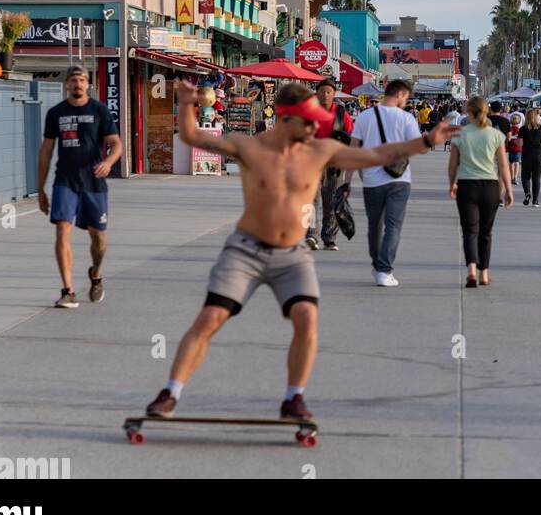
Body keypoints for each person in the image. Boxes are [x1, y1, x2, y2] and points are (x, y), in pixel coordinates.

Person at [146, 81, 458, 422]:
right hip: (245, 250)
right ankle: (170, 392)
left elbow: (377, 155)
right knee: (210, 318)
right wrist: (189, 104)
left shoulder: (320, 150)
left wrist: (427, 140)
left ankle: (294, 398)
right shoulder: (249, 147)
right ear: (285, 119)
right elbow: (193, 137)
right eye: (307, 121)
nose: (314, 128)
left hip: (292, 255)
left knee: (307, 319)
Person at [37, 64, 122, 309]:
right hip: (65, 180)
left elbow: (116, 144)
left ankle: (96, 273)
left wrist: (108, 162)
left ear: (88, 84)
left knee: (99, 238)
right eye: (73, 80)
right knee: (63, 229)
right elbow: (46, 151)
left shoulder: (100, 111)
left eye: (82, 80)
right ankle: (68, 290)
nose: (77, 84)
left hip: (94, 182)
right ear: (67, 85)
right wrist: (40, 188)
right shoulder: (56, 113)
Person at [343, 78, 422, 286]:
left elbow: (353, 150)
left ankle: (378, 266)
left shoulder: (364, 117)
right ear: (400, 94)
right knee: (393, 226)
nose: (406, 102)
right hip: (400, 179)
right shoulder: (406, 118)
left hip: (371, 179)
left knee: (374, 225)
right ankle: (384, 270)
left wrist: (347, 181)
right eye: (406, 97)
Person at [448, 96, 513, 287]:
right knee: (486, 231)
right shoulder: (495, 135)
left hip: (467, 185)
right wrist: (508, 190)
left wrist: (452, 183)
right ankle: (484, 273)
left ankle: (471, 271)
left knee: (469, 231)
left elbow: (452, 165)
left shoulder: (459, 134)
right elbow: (503, 166)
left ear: (468, 111)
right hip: (490, 187)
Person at [305, 80, 354, 251]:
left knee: (332, 200)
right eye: (322, 91)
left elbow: (349, 135)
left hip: (334, 162)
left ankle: (329, 238)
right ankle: (310, 234)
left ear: (334, 94)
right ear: (316, 93)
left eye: (329, 92)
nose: (325, 95)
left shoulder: (341, 113)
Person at [519, 106, 541, 205]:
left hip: (527, 154)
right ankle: (535, 201)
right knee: (536, 177)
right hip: (539, 154)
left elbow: (520, 144)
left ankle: (527, 193)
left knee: (525, 176)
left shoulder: (522, 129)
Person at [506, 112, 524, 186]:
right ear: (519, 121)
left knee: (511, 163)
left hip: (510, 148)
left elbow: (507, 138)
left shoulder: (509, 129)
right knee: (517, 163)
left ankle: (511, 177)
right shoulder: (519, 130)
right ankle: (515, 178)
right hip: (517, 148)